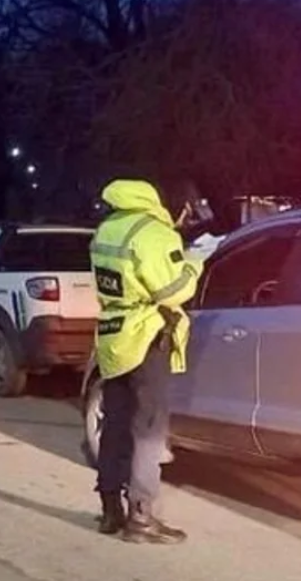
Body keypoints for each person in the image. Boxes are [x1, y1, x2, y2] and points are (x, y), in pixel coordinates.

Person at [89, 179, 206, 544]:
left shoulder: (108, 228)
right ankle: (140, 516)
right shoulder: (155, 234)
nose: (187, 219)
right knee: (149, 428)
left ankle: (111, 510)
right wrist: (194, 264)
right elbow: (171, 292)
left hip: (114, 335)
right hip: (145, 337)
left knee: (115, 423)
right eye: (189, 212)